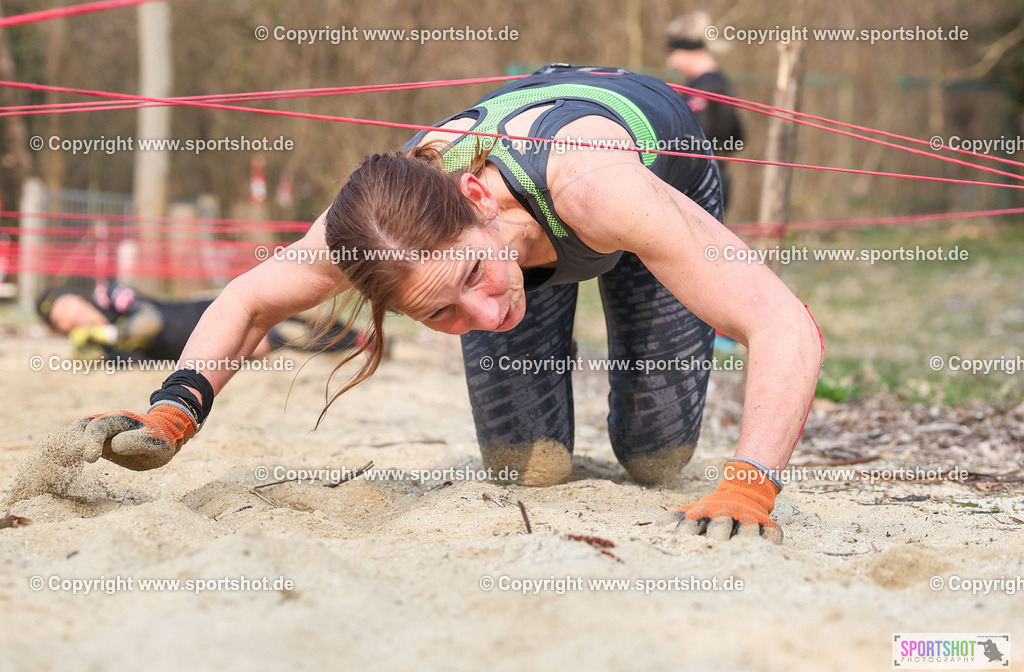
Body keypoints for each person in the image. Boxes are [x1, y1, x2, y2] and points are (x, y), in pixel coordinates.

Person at [46, 64, 823, 544]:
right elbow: (250, 299)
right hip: (529, 232)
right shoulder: (378, 226)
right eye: (440, 312)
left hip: (646, 184)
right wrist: (173, 411)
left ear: (478, 198)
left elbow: (781, 322)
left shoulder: (598, 185)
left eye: (471, 279)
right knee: (531, 470)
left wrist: (753, 475)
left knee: (657, 457)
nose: (486, 317)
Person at [36, 281, 372, 362]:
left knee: (296, 308)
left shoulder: (110, 295)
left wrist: (107, 333)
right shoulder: (94, 343)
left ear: (77, 298)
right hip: (209, 346)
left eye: (68, 308)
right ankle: (361, 343)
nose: (72, 318)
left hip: (204, 312)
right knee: (286, 335)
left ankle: (364, 335)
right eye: (63, 322)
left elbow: (149, 323)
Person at [666, 11, 744, 211]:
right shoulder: (711, 83)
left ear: (691, 50)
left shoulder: (707, 87)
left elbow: (699, 137)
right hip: (711, 179)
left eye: (675, 52)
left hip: (703, 184)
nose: (671, 62)